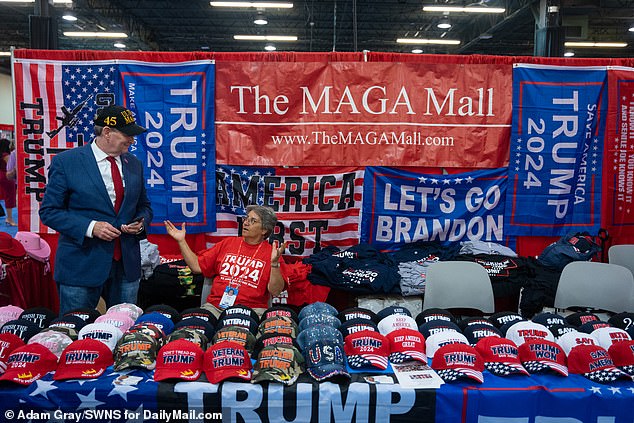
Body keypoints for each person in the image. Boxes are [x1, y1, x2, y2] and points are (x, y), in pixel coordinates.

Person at [40, 105, 153, 316]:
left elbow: (144, 206)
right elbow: (49, 211)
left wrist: (140, 223)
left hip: (126, 265)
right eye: (127, 134)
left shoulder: (134, 164)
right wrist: (91, 227)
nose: (132, 140)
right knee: (74, 329)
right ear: (107, 132)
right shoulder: (67, 162)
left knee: (125, 331)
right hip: (81, 264)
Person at [164, 205, 287, 318]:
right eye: (246, 218)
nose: (246, 223)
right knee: (193, 328)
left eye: (253, 221)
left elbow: (275, 291)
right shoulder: (228, 243)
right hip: (216, 308)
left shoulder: (272, 253)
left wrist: (274, 264)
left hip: (251, 311)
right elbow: (196, 266)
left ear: (264, 230)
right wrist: (181, 241)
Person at [0, 138, 16, 225]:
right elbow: (10, 167)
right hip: (6, 177)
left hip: (1, 175)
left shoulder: (1, 154)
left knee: (5, 196)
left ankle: (9, 218)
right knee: (9, 197)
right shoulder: (6, 155)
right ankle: (9, 218)